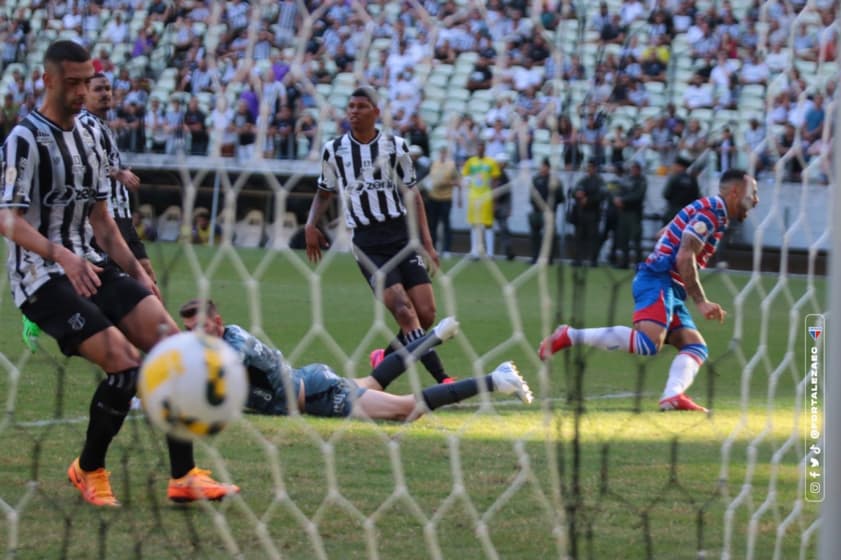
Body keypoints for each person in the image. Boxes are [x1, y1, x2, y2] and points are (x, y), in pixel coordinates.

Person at [0, 41, 238, 507]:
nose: (82, 91)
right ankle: (88, 470)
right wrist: (64, 257)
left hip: (95, 263)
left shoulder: (91, 138)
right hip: (42, 277)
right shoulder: (23, 140)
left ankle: (183, 476)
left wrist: (137, 272)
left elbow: (102, 221)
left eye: (87, 82)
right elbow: (8, 218)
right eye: (72, 83)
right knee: (125, 366)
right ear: (47, 81)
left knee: (175, 349)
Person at [539, 169, 759, 412]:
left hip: (671, 286)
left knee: (695, 346)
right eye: (753, 193)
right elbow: (685, 257)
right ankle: (569, 335)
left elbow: (675, 229)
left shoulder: (714, 211)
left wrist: (670, 231)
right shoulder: (711, 212)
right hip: (658, 278)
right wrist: (701, 301)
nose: (756, 200)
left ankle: (672, 396)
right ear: (736, 192)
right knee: (648, 344)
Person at [304, 86, 455, 387]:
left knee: (425, 314)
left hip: (400, 237)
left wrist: (427, 244)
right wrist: (310, 225)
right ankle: (442, 378)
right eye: (350, 106)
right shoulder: (334, 150)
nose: (354, 111)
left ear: (376, 111)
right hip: (367, 242)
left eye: (361, 106)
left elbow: (413, 194)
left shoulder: (395, 147)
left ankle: (383, 360)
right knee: (404, 310)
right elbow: (324, 193)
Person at [178, 300, 533, 420]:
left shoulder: (233, 343)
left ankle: (497, 379)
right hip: (312, 381)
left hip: (319, 395)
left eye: (200, 327)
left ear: (217, 322)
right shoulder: (218, 347)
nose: (196, 334)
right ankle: (434, 335)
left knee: (406, 408)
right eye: (189, 329)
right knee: (373, 382)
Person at [79, 72, 157, 284]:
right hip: (106, 217)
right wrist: (118, 172)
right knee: (121, 282)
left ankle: (156, 318)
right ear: (84, 94)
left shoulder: (103, 125)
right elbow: (85, 161)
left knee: (147, 273)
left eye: (107, 89)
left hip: (122, 213)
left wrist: (119, 169)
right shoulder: (85, 124)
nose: (105, 94)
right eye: (98, 89)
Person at [461, 140, 500, 259]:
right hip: (473, 196)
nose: (480, 149)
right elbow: (464, 176)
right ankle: (474, 251)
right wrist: (466, 182)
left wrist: (494, 197)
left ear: (485, 148)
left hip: (486, 196)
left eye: (482, 147)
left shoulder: (491, 162)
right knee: (474, 224)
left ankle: (490, 253)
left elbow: (495, 180)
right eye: (478, 147)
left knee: (487, 224)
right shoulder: (470, 162)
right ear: (475, 149)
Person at [528, 157, 564, 264]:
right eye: (541, 166)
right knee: (535, 236)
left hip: (549, 213)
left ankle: (549, 258)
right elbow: (531, 196)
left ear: (548, 168)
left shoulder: (555, 180)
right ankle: (535, 257)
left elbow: (561, 198)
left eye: (543, 166)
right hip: (537, 212)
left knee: (549, 237)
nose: (541, 168)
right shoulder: (535, 179)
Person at [425, 145, 461, 255]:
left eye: (444, 152)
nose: (442, 154)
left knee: (446, 224)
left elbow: (458, 182)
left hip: (446, 198)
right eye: (441, 152)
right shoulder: (434, 164)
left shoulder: (451, 165)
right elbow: (428, 179)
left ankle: (447, 249)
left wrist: (447, 183)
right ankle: (433, 248)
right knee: (432, 224)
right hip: (433, 197)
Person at [570, 159, 605, 266]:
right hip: (581, 213)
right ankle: (578, 259)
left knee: (593, 237)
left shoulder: (599, 181)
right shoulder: (583, 180)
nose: (589, 169)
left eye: (591, 167)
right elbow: (574, 191)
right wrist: (577, 194)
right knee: (579, 236)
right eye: (588, 167)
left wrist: (588, 200)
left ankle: (593, 260)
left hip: (593, 213)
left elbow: (601, 196)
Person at [613, 161, 647, 269]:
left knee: (636, 239)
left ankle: (638, 263)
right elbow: (618, 191)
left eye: (636, 168)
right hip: (624, 212)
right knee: (623, 238)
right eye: (632, 168)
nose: (633, 170)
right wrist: (617, 199)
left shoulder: (642, 181)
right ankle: (624, 262)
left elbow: (638, 196)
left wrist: (623, 200)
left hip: (634, 213)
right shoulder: (627, 180)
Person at [661, 156, 701, 224]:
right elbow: (697, 196)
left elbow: (666, 194)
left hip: (672, 212)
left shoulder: (674, 178)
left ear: (680, 166)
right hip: (687, 213)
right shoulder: (692, 179)